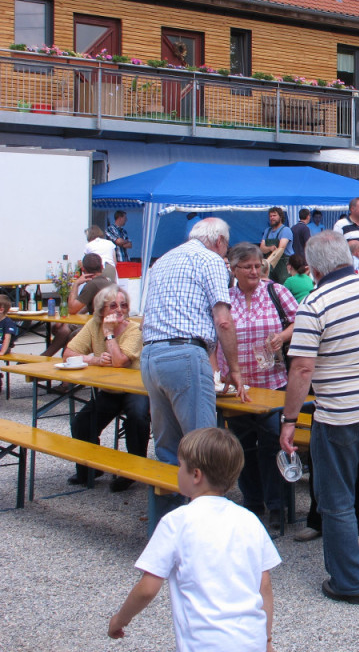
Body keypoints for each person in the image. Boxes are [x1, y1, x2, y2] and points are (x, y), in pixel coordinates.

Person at [279, 231, 359, 604]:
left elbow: (302, 368)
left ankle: (350, 581)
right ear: (347, 258)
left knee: (336, 498)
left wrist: (289, 420)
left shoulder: (314, 304)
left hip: (340, 413)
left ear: (314, 268)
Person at [107, 427, 280, 650]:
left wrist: (120, 619)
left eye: (181, 466)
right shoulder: (250, 520)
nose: (178, 471)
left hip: (203, 643)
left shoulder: (175, 522)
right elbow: (264, 585)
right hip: (251, 640)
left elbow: (148, 588)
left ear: (196, 475)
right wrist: (267, 640)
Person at [141, 217, 246, 522]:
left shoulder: (163, 260)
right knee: (203, 449)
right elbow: (223, 320)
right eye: (226, 246)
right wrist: (235, 369)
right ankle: (206, 529)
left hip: (151, 354)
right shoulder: (211, 260)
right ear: (219, 242)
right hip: (184, 354)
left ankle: (169, 525)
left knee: (168, 450)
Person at [217, 243, 298, 525]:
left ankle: (276, 505)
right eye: (247, 267)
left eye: (257, 265)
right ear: (234, 269)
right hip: (239, 387)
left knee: (272, 441)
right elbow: (215, 335)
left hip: (273, 382)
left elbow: (300, 321)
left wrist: (282, 337)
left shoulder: (276, 291)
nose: (254, 271)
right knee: (242, 444)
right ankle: (252, 501)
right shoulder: (225, 299)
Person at [65, 285, 149, 491]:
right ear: (101, 309)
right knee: (82, 423)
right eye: (113, 306)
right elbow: (68, 353)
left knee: (137, 417)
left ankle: (133, 470)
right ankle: (90, 468)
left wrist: (109, 333)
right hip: (110, 389)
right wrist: (94, 359)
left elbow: (119, 361)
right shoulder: (93, 325)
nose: (119, 310)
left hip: (135, 389)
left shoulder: (133, 329)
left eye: (124, 305)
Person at [259, 207, 293, 285]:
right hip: (270, 265)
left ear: (280, 217)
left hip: (283, 265)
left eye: (274, 215)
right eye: (270, 216)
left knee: (284, 284)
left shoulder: (286, 230)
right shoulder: (267, 231)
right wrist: (270, 248)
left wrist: (268, 249)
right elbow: (261, 248)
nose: (272, 218)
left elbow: (280, 249)